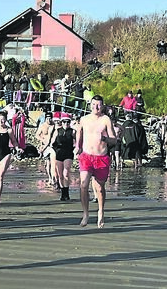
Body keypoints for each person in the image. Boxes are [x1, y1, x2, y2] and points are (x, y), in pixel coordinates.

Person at [75, 95, 116, 228]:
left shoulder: (106, 120)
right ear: (90, 105)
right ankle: (86, 214)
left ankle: (101, 211)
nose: (96, 107)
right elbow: (79, 132)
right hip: (86, 156)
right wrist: (77, 146)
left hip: (101, 158)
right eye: (93, 104)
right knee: (83, 184)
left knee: (99, 188)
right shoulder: (84, 119)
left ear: (102, 106)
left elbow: (114, 139)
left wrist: (104, 139)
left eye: (98, 105)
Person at [0, 110, 20, 205]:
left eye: (3, 120)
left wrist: (17, 148)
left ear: (5, 120)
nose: (1, 122)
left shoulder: (9, 130)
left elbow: (14, 141)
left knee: (0, 176)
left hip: (5, 154)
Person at [47, 113, 76, 200]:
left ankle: (66, 193)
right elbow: (52, 141)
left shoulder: (73, 131)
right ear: (61, 122)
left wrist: (78, 148)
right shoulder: (57, 131)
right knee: (60, 175)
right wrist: (49, 148)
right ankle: (63, 193)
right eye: (64, 122)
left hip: (68, 152)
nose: (66, 124)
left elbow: (78, 141)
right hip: (59, 152)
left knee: (66, 172)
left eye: (68, 122)